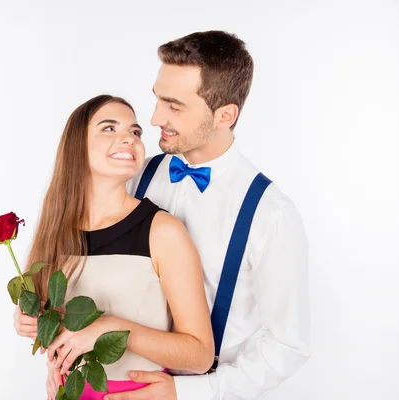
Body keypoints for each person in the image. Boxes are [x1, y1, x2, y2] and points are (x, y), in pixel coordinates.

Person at [105, 30, 311, 400]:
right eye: (157, 100)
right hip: (122, 380)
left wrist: (190, 392)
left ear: (225, 115)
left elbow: (287, 345)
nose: (154, 119)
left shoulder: (270, 214)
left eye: (174, 106)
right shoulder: (137, 176)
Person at [13, 94, 215, 400]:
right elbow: (51, 323)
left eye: (135, 132)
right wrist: (27, 319)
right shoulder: (55, 231)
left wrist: (111, 328)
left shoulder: (162, 231)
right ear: (76, 146)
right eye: (109, 128)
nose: (128, 139)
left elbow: (200, 355)